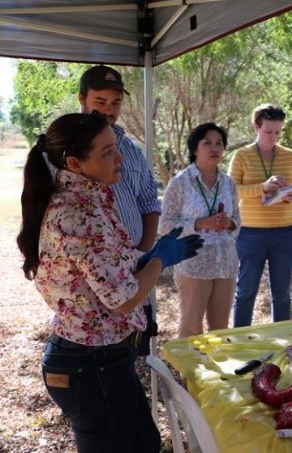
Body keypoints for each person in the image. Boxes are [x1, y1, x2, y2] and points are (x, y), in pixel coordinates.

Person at [16, 112, 202, 453]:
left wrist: (145, 258)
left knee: (144, 443)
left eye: (115, 148)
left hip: (104, 359)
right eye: (106, 152)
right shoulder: (78, 212)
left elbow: (107, 268)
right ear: (75, 162)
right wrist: (160, 258)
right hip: (90, 365)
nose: (119, 159)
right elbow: (124, 298)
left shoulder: (91, 198)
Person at [78, 65, 162, 354]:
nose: (108, 111)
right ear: (82, 100)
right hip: (91, 283)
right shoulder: (67, 149)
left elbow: (150, 203)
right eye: (99, 102)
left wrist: (143, 252)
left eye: (115, 103)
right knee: (101, 355)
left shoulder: (132, 150)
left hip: (136, 269)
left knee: (135, 350)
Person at [229, 104, 292, 326]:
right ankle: (240, 342)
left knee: (282, 294)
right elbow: (231, 190)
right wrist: (262, 187)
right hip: (250, 234)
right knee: (245, 293)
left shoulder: (289, 155)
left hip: (285, 233)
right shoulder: (242, 155)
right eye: (268, 131)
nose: (273, 137)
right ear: (256, 126)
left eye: (277, 132)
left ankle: (281, 342)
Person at [161, 123, 240, 337]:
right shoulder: (180, 183)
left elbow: (237, 221)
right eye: (207, 143)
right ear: (195, 149)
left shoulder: (228, 183)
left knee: (221, 328)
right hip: (194, 264)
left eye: (219, 143)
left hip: (225, 264)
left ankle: (217, 371)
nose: (214, 148)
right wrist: (200, 224)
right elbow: (165, 225)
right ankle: (188, 372)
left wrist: (229, 223)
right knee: (191, 328)